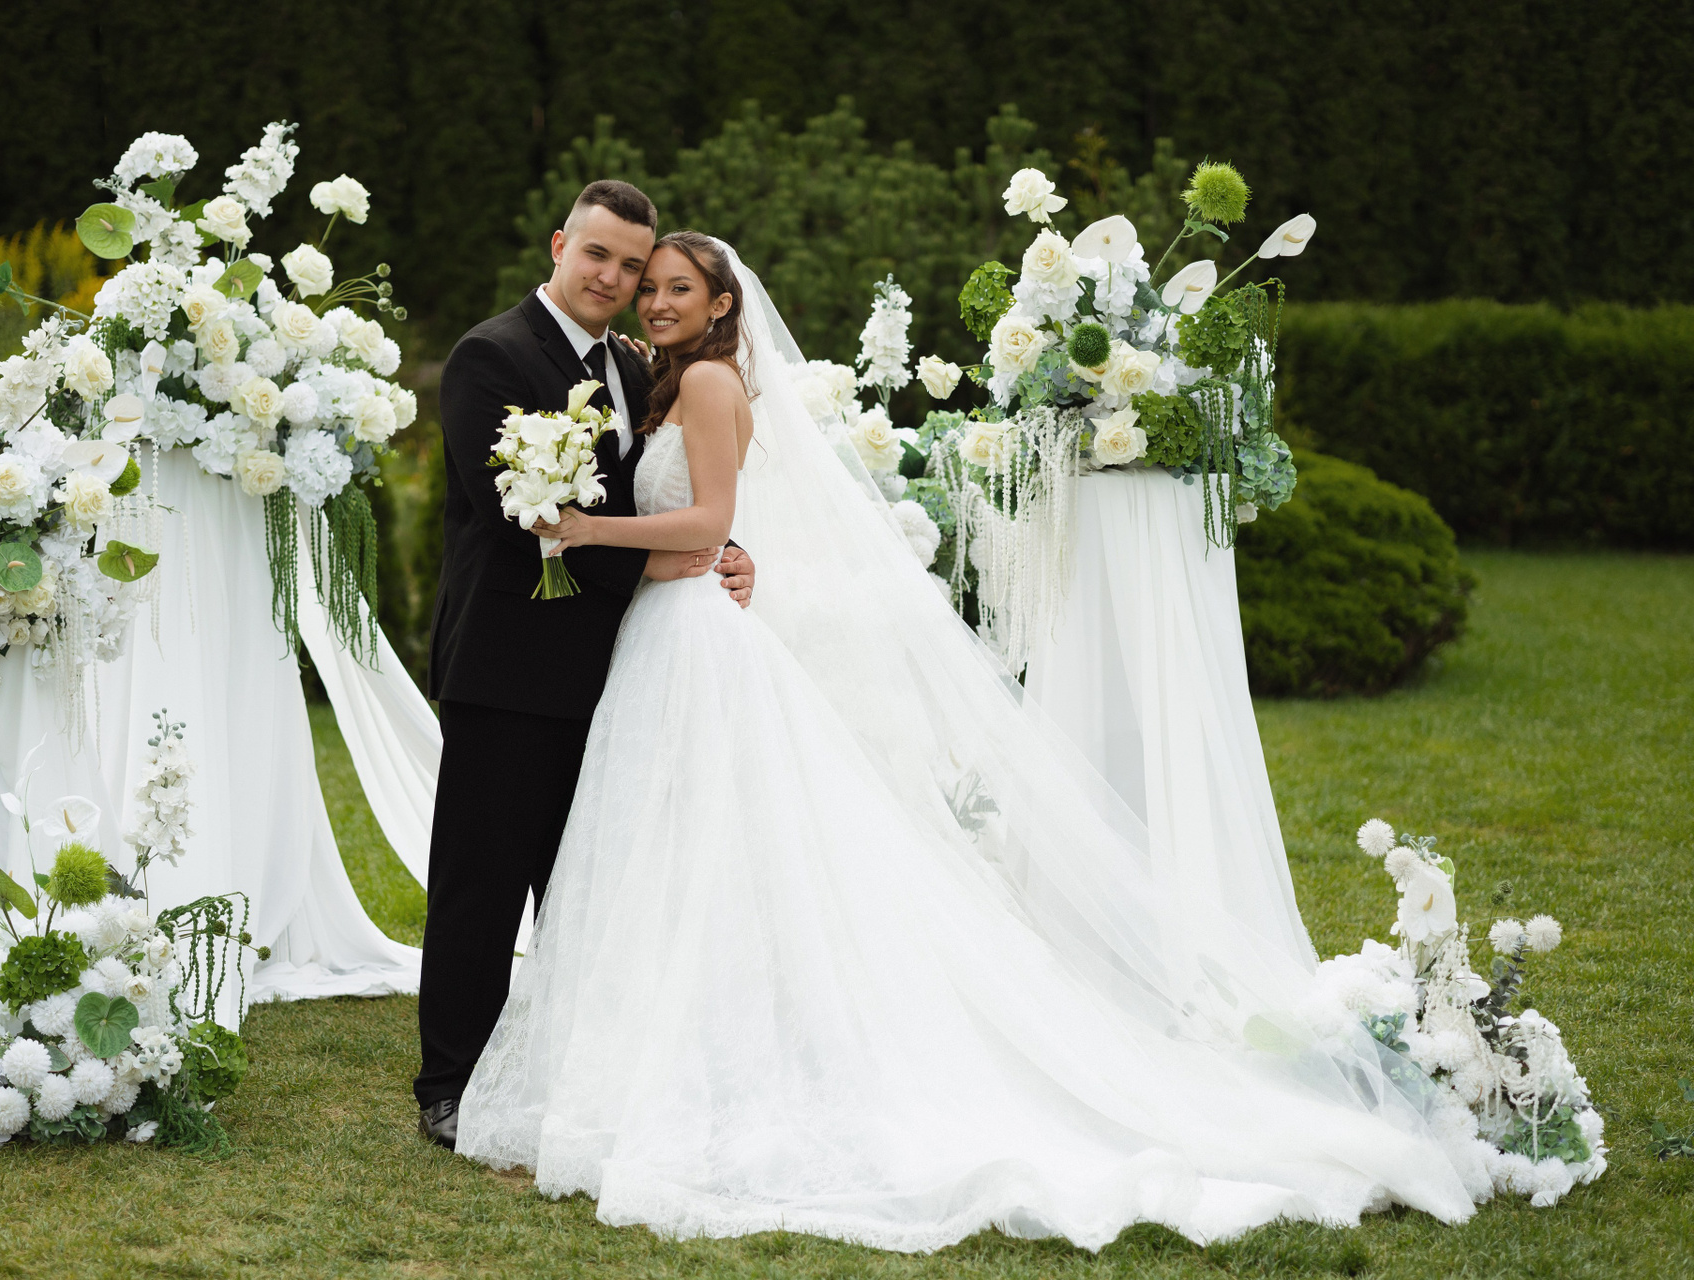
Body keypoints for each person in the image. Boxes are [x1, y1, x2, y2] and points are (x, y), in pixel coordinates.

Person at [451, 233, 1486, 1252]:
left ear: (724, 305)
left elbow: (708, 516)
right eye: (651, 286)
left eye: (678, 287)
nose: (655, 300)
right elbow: (708, 522)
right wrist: (688, 545)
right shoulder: (653, 379)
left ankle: (708, 1065)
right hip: (659, 634)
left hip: (694, 639)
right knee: (670, 857)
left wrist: (586, 530)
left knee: (703, 849)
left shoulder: (714, 384)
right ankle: (670, 1051)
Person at [416, 182, 754, 1147]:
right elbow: (512, 516)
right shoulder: (491, 356)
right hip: (509, 668)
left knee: (590, 885)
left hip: (618, 671)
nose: (614, 279)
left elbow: (671, 493)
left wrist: (724, 553)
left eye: (633, 268)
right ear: (562, 245)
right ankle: (451, 1083)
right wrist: (652, 566)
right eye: (598, 255)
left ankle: (564, 1071)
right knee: (482, 886)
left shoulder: (642, 367)